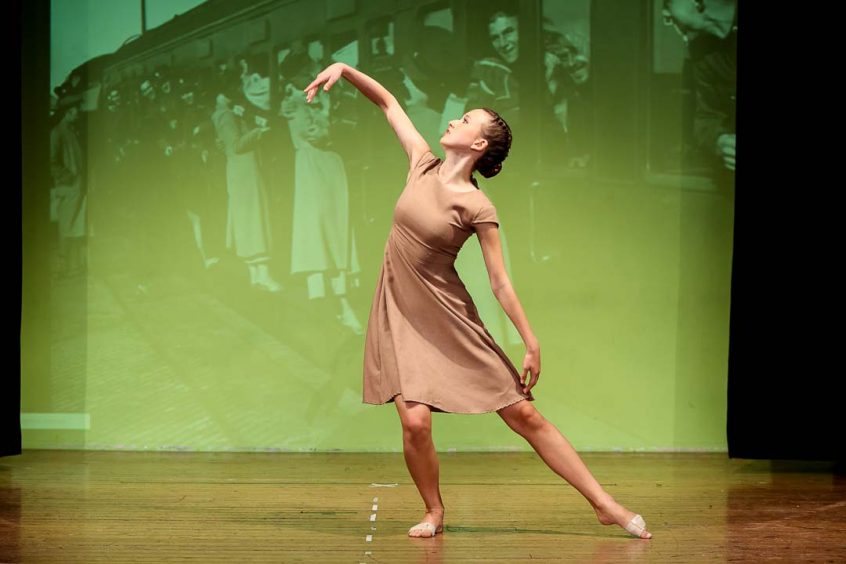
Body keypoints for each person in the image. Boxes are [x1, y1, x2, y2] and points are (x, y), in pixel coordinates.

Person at [303, 63, 653, 540]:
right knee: (416, 424)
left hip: (449, 317)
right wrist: (344, 70)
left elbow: (500, 283)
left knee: (523, 414)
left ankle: (604, 503)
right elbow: (388, 103)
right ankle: (434, 512)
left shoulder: (477, 206)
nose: (453, 121)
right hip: (400, 313)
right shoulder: (421, 163)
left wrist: (530, 341)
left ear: (479, 145)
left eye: (465, 120)